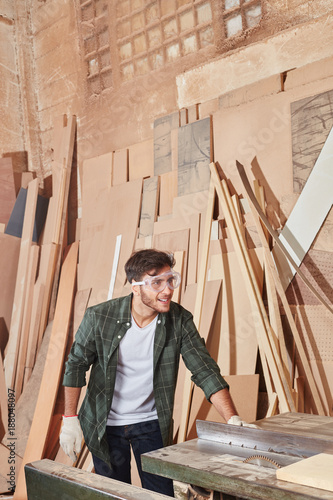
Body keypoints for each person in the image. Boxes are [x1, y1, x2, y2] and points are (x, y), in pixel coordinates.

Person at [60, 249, 254, 497]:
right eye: (157, 282)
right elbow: (76, 364)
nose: (168, 290)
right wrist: (69, 419)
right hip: (104, 423)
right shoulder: (100, 317)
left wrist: (232, 419)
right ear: (135, 286)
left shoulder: (179, 320)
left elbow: (204, 369)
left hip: (151, 424)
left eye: (170, 280)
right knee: (113, 494)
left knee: (160, 494)